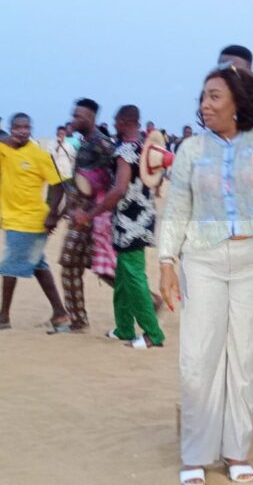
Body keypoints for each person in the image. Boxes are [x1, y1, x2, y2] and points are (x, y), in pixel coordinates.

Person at [158, 18, 253, 485]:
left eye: (214, 95)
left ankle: (235, 452)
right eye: (202, 97)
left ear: (237, 102)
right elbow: (176, 207)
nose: (204, 104)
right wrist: (167, 261)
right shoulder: (191, 150)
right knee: (198, 359)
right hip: (204, 261)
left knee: (244, 358)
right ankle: (195, 453)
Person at [71, 105, 165, 349]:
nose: (113, 124)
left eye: (116, 120)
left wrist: (90, 214)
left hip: (130, 220)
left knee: (133, 277)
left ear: (125, 121)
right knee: (123, 276)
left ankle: (153, 334)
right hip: (142, 216)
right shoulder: (145, 146)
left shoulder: (125, 151)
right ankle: (124, 327)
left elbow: (119, 189)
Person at [0, 113, 70, 332]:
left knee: (10, 266)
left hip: (31, 221)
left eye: (26, 127)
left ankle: (3, 317)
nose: (22, 131)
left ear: (31, 129)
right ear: (10, 129)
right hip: (11, 219)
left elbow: (58, 185)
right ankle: (60, 314)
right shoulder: (4, 151)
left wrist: (53, 215)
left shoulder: (39, 155)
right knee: (39, 266)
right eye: (17, 127)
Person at [59, 98, 116, 332]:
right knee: (86, 265)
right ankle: (78, 319)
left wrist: (93, 211)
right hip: (78, 213)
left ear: (91, 118)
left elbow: (115, 182)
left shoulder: (102, 144)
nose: (74, 120)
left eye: (79, 116)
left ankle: (78, 321)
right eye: (73, 115)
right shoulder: (82, 142)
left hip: (90, 215)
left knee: (74, 263)